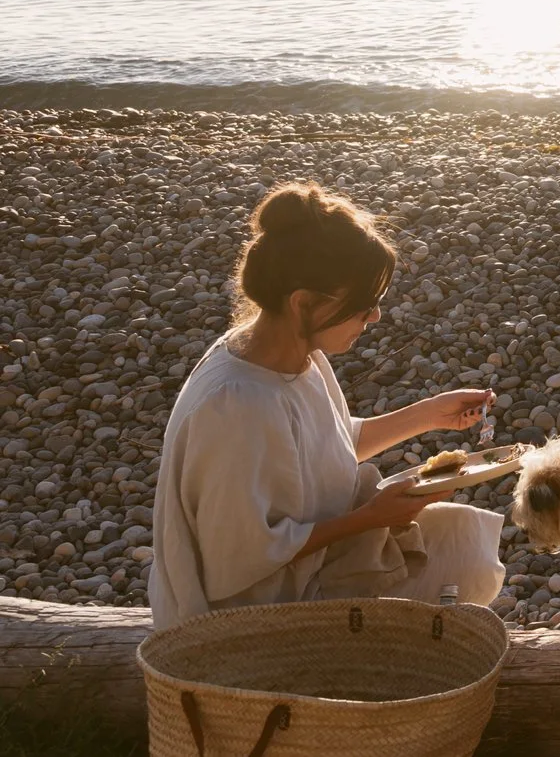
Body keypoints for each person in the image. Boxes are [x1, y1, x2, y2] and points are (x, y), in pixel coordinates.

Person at [150, 183, 505, 627]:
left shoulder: (297, 354)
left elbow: (324, 450)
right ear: (303, 303)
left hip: (303, 566)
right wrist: (369, 519)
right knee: (463, 566)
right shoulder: (234, 404)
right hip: (251, 613)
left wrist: (430, 414)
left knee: (464, 538)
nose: (373, 317)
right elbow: (236, 560)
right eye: (362, 306)